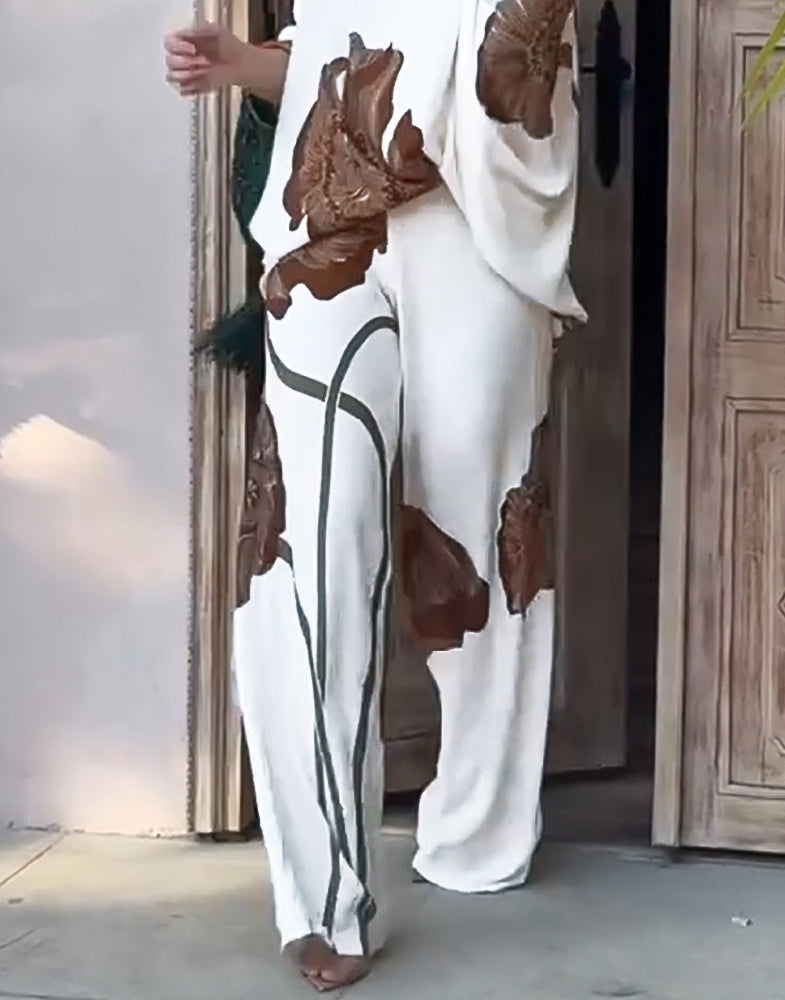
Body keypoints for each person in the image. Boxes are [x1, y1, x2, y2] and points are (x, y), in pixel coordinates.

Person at [165, 0, 583, 991]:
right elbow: (338, 46)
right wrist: (246, 64)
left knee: (482, 547)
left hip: (477, 232)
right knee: (307, 546)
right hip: (327, 224)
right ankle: (322, 898)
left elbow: (500, 56)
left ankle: (477, 828)